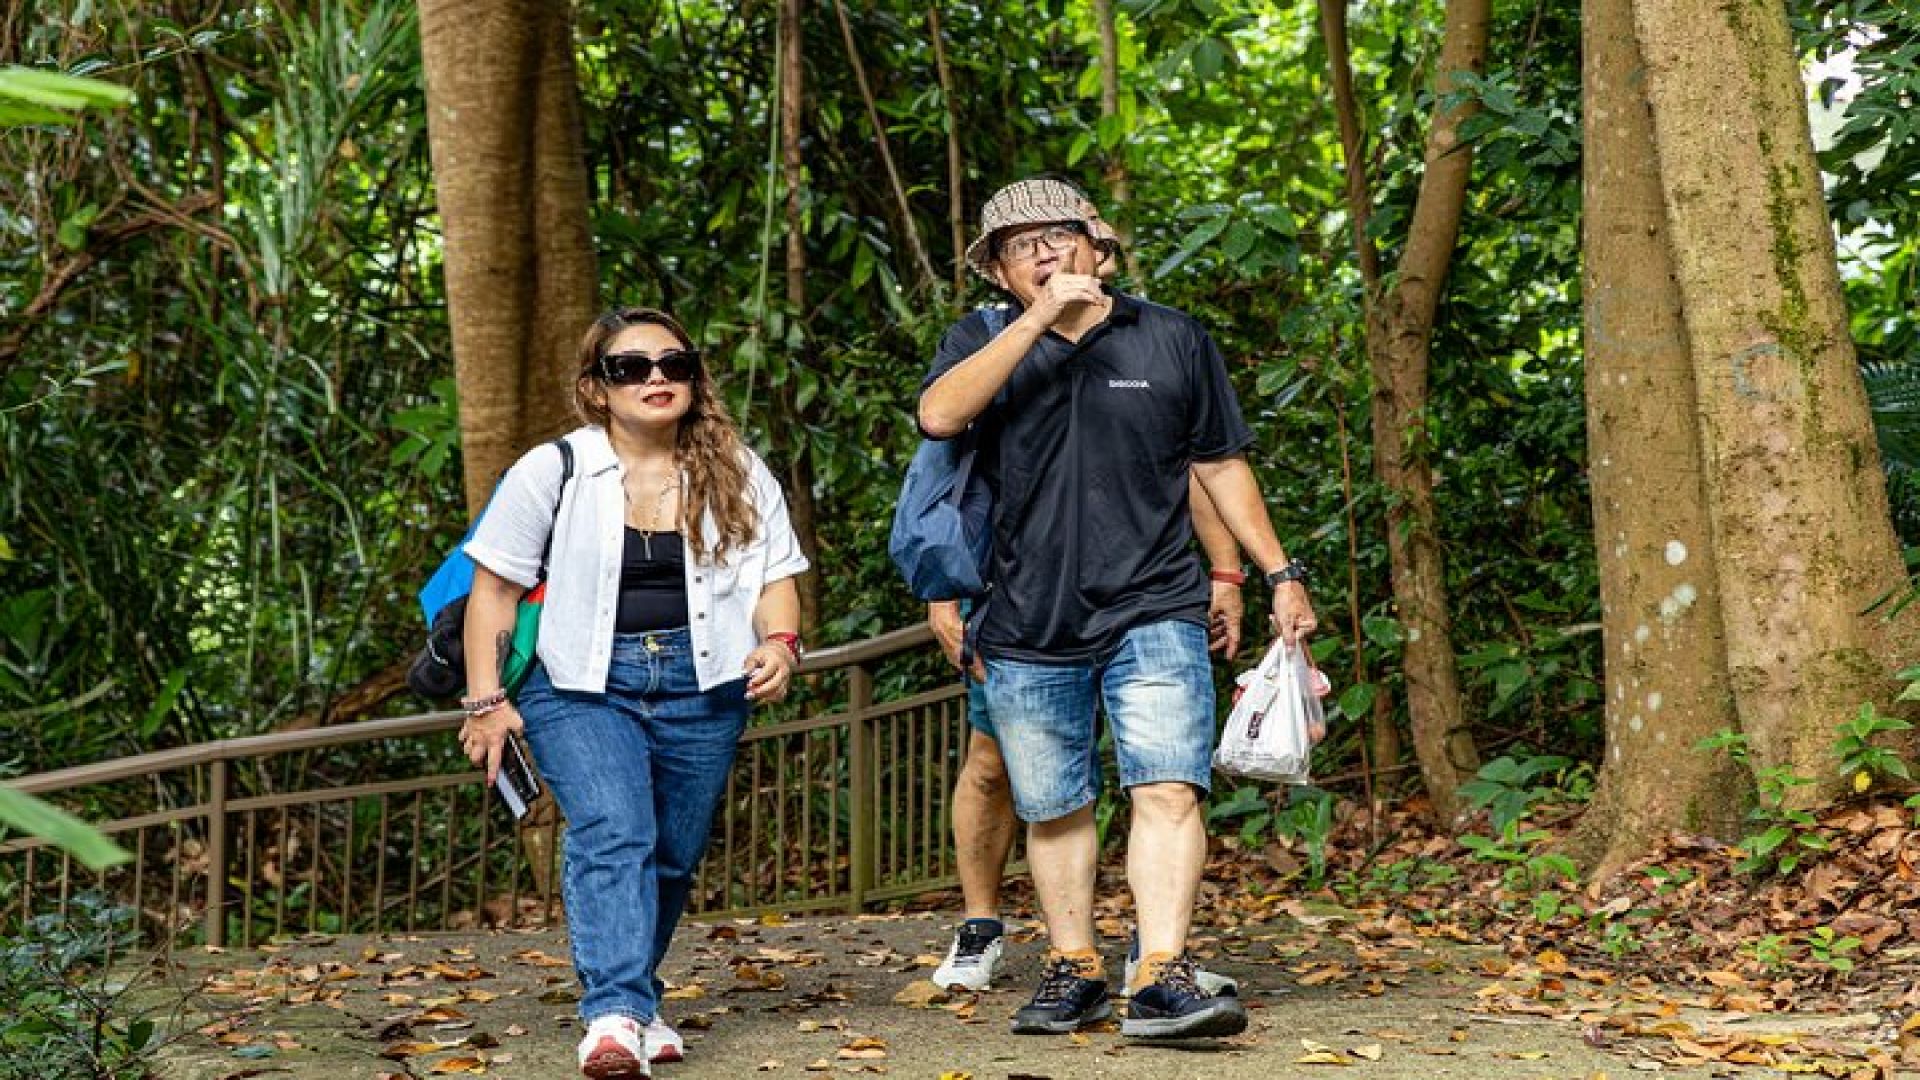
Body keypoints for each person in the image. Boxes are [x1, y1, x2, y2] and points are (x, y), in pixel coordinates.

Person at [918, 177, 1317, 1041]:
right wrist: (1036, 322)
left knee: (1168, 786)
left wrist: (1275, 572)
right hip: (1024, 614)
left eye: (1059, 234)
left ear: (1099, 245)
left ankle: (1163, 973)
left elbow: (1218, 466)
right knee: (1053, 804)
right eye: (1019, 247)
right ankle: (1073, 969)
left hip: (1154, 603)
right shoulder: (981, 341)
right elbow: (940, 416)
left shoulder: (1172, 338)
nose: (1045, 253)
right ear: (998, 273)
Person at [458, 307, 809, 1079]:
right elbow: (493, 593)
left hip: (704, 680)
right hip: (581, 681)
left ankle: (639, 1002)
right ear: (597, 387)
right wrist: (487, 703)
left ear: (693, 377)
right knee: (616, 829)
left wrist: (779, 645)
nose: (656, 377)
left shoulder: (739, 471)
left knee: (674, 854)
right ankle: (612, 1015)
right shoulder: (552, 469)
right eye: (631, 367)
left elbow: (775, 582)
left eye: (673, 364)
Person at [926, 479, 1247, 995]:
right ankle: (981, 927)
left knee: (1169, 771)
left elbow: (1197, 465)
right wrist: (941, 589)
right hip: (1017, 601)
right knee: (995, 764)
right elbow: (949, 472)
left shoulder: (1156, 394)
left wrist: (1226, 570)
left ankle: (1157, 955)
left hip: (1143, 590)